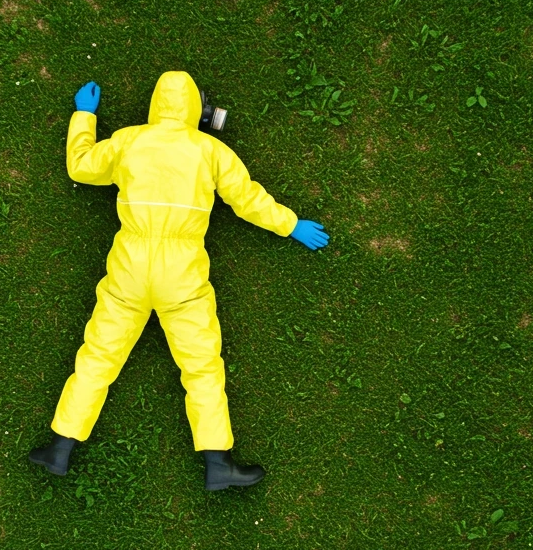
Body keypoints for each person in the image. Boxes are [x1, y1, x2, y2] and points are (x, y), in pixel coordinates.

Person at [28, 71, 329, 490]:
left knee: (97, 357)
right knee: (201, 366)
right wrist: (291, 224)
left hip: (129, 267)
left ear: (155, 103)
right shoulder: (211, 151)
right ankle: (218, 464)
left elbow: (80, 167)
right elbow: (248, 199)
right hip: (182, 272)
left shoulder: (128, 141)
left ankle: (59, 448)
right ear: (196, 108)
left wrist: (84, 116)